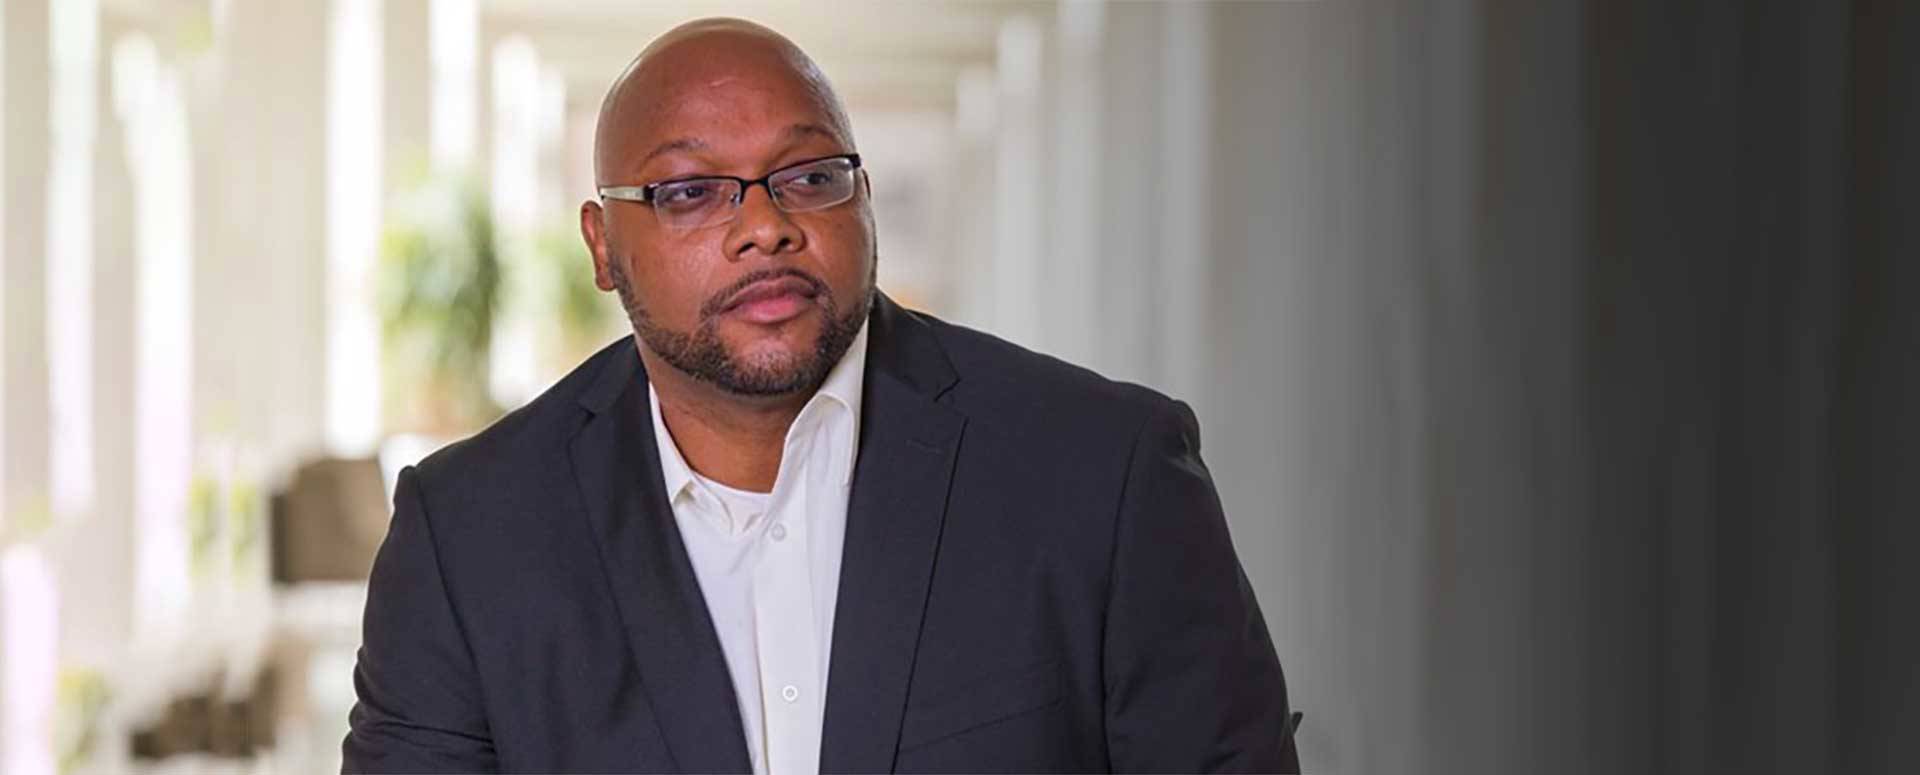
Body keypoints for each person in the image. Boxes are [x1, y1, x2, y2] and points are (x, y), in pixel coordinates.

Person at [342, 17, 1297, 774]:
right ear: (602, 245)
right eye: (690, 191)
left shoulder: (1104, 473)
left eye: (809, 176)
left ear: (862, 196)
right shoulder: (469, 537)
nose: (765, 225)